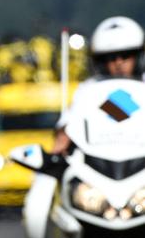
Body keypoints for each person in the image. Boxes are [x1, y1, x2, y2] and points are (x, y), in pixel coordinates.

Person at [53, 16, 145, 153]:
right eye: (111, 57)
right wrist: (63, 134)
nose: (118, 62)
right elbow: (68, 124)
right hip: (99, 163)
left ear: (138, 57)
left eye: (125, 55)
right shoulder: (88, 89)